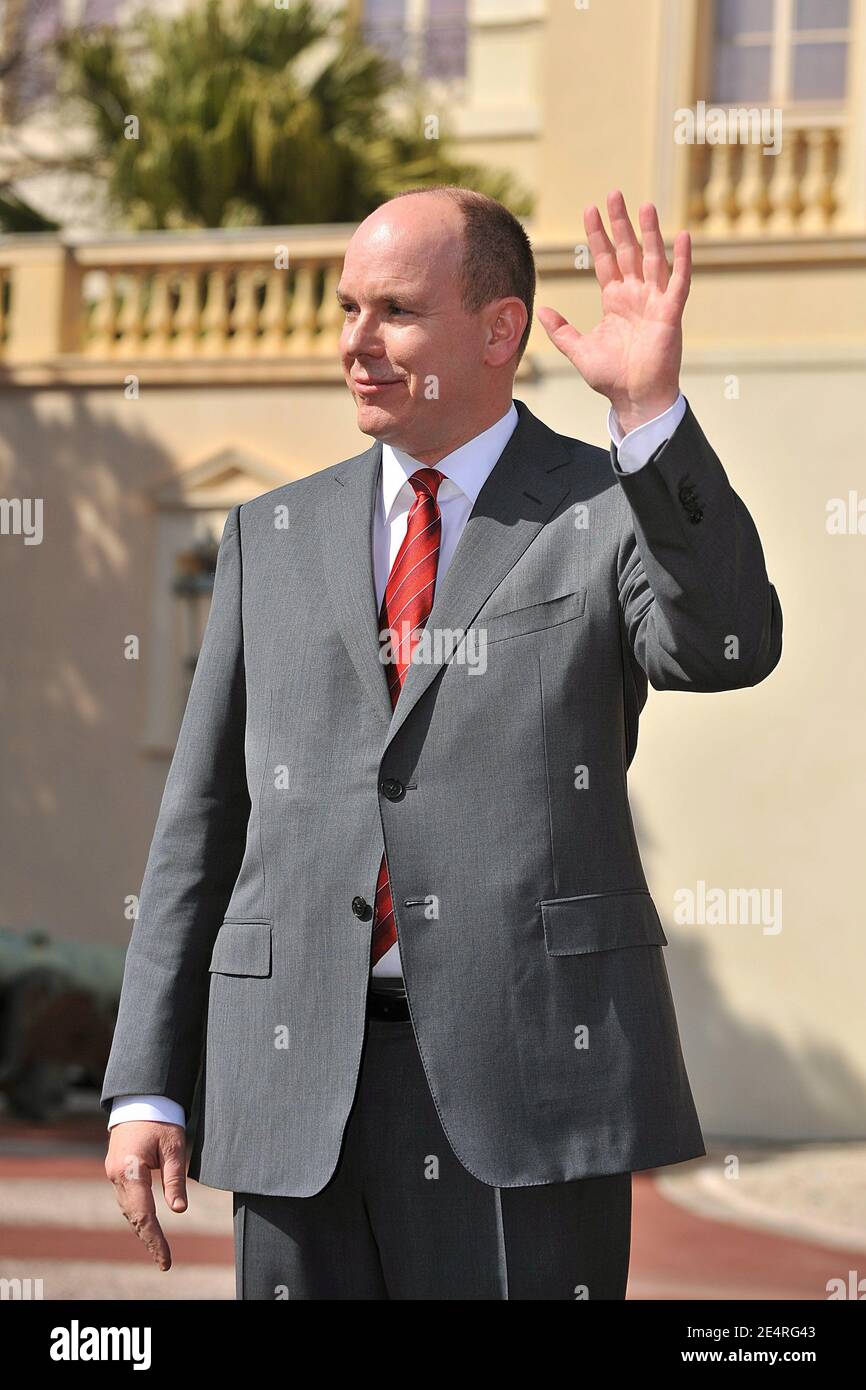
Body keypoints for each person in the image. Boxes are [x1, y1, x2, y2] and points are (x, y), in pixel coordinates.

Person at [102, 186, 783, 1300]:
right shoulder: (265, 535)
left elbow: (724, 643)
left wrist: (650, 416)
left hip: (527, 1079)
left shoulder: (605, 507)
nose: (355, 344)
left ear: (497, 330)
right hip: (291, 1083)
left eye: (395, 313)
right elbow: (204, 819)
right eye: (344, 307)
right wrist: (148, 1085)